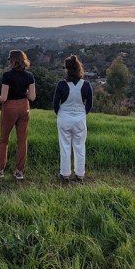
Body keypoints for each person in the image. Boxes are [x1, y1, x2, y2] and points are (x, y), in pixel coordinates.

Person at [0, 50, 36, 180]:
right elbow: (32, 97)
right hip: (24, 107)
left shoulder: (7, 75)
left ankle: (0, 170)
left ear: (12, 61)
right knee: (22, 140)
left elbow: (3, 97)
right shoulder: (29, 76)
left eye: (9, 60)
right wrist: (23, 93)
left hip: (10, 108)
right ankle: (19, 172)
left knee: (4, 140)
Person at [52, 54, 93, 184]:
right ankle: (80, 175)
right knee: (80, 146)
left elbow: (55, 104)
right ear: (79, 68)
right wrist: (81, 114)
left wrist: (61, 115)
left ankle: (65, 175)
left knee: (65, 146)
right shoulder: (86, 85)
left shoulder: (61, 84)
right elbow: (89, 105)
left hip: (64, 118)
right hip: (79, 118)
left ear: (67, 69)